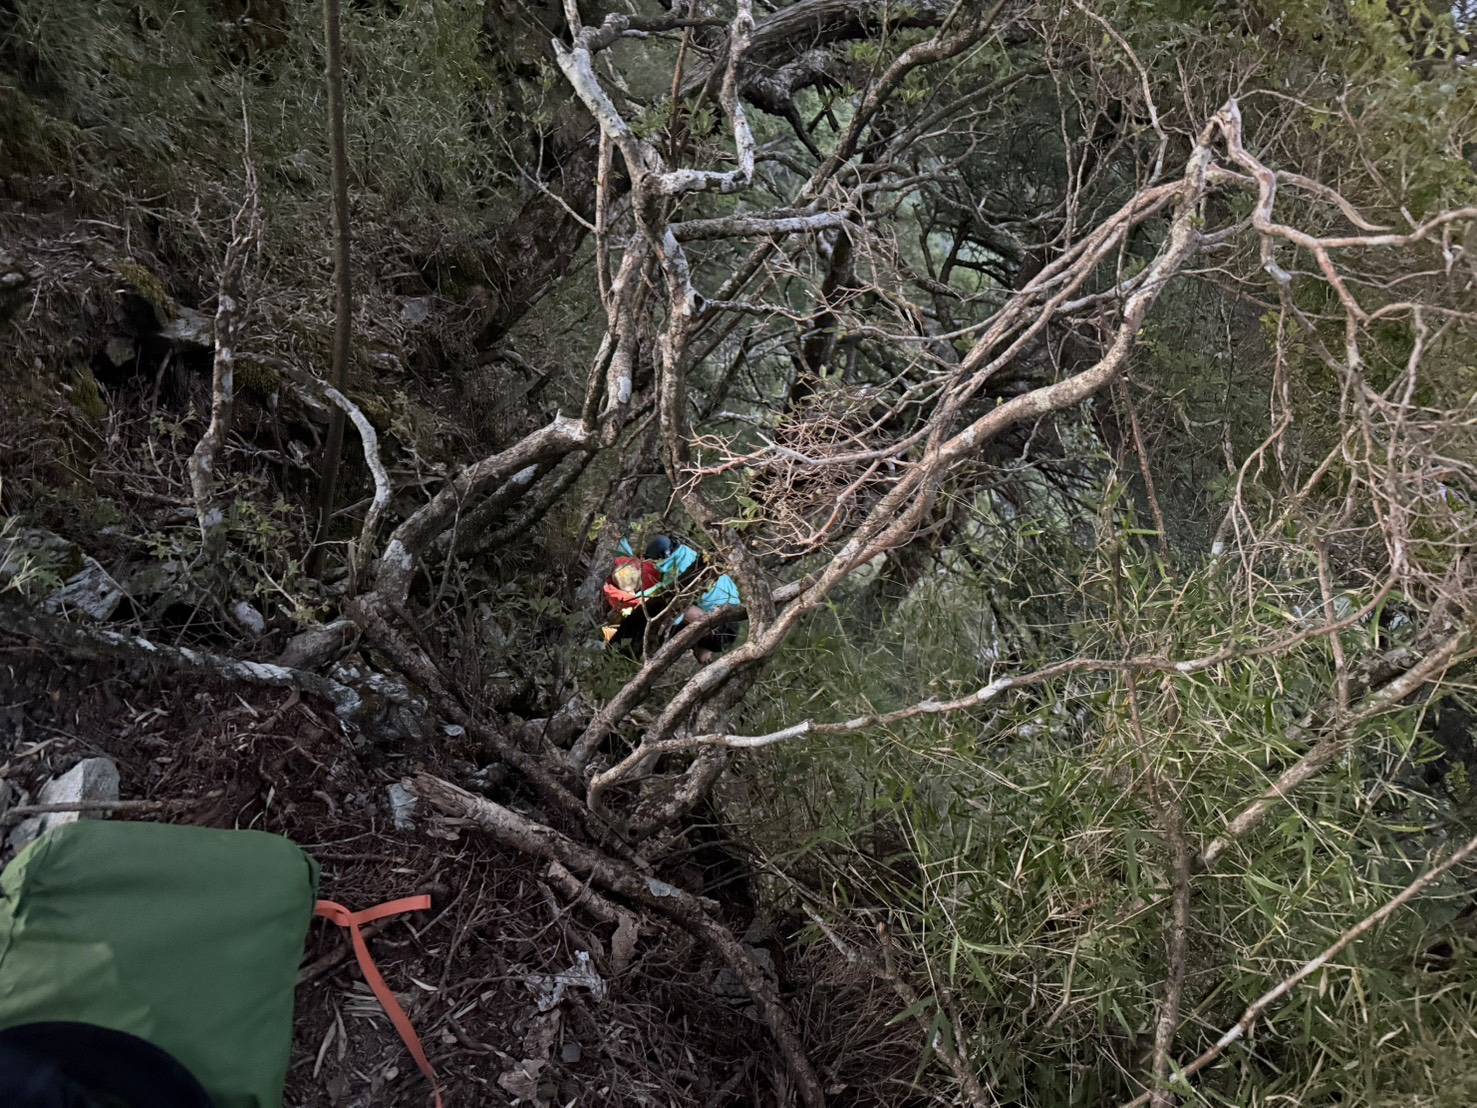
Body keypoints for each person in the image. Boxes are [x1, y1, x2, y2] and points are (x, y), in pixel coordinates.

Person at [600, 534, 741, 662]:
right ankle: (701, 648)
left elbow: (670, 597)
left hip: (722, 628)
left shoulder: (680, 570)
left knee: (672, 608)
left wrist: (637, 601)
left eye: (655, 561)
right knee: (673, 608)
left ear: (663, 557)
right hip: (726, 621)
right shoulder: (688, 556)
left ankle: (643, 657)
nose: (655, 565)